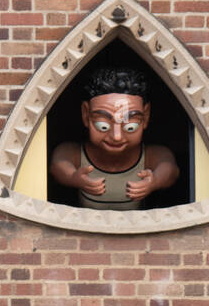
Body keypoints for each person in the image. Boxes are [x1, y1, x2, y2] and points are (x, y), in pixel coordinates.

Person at [49, 67, 180, 210]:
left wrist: (155, 181)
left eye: (130, 127)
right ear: (86, 114)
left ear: (146, 116)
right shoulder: (75, 152)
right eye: (103, 126)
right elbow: (58, 164)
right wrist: (73, 177)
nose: (116, 136)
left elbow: (169, 169)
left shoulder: (150, 154)